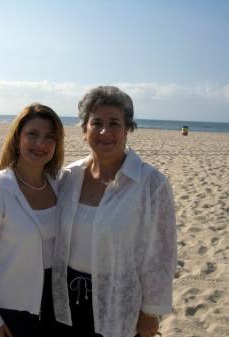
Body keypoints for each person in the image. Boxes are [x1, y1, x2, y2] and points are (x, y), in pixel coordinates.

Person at [52, 86, 177, 337]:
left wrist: (150, 314)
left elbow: (161, 255)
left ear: (128, 129)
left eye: (114, 123)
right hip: (64, 298)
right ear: (84, 129)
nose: (105, 132)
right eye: (96, 122)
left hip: (119, 300)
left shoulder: (151, 183)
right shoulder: (68, 177)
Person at [0, 103, 64, 337]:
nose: (41, 144)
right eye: (32, 134)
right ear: (17, 138)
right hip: (7, 310)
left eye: (49, 137)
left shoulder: (60, 185)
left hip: (52, 308)